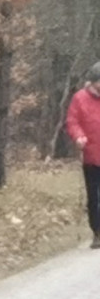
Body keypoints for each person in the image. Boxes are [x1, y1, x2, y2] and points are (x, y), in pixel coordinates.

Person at [65, 61, 100, 248]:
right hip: (91, 156)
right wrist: (78, 136)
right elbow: (72, 121)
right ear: (93, 82)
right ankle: (97, 232)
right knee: (94, 197)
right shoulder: (80, 98)